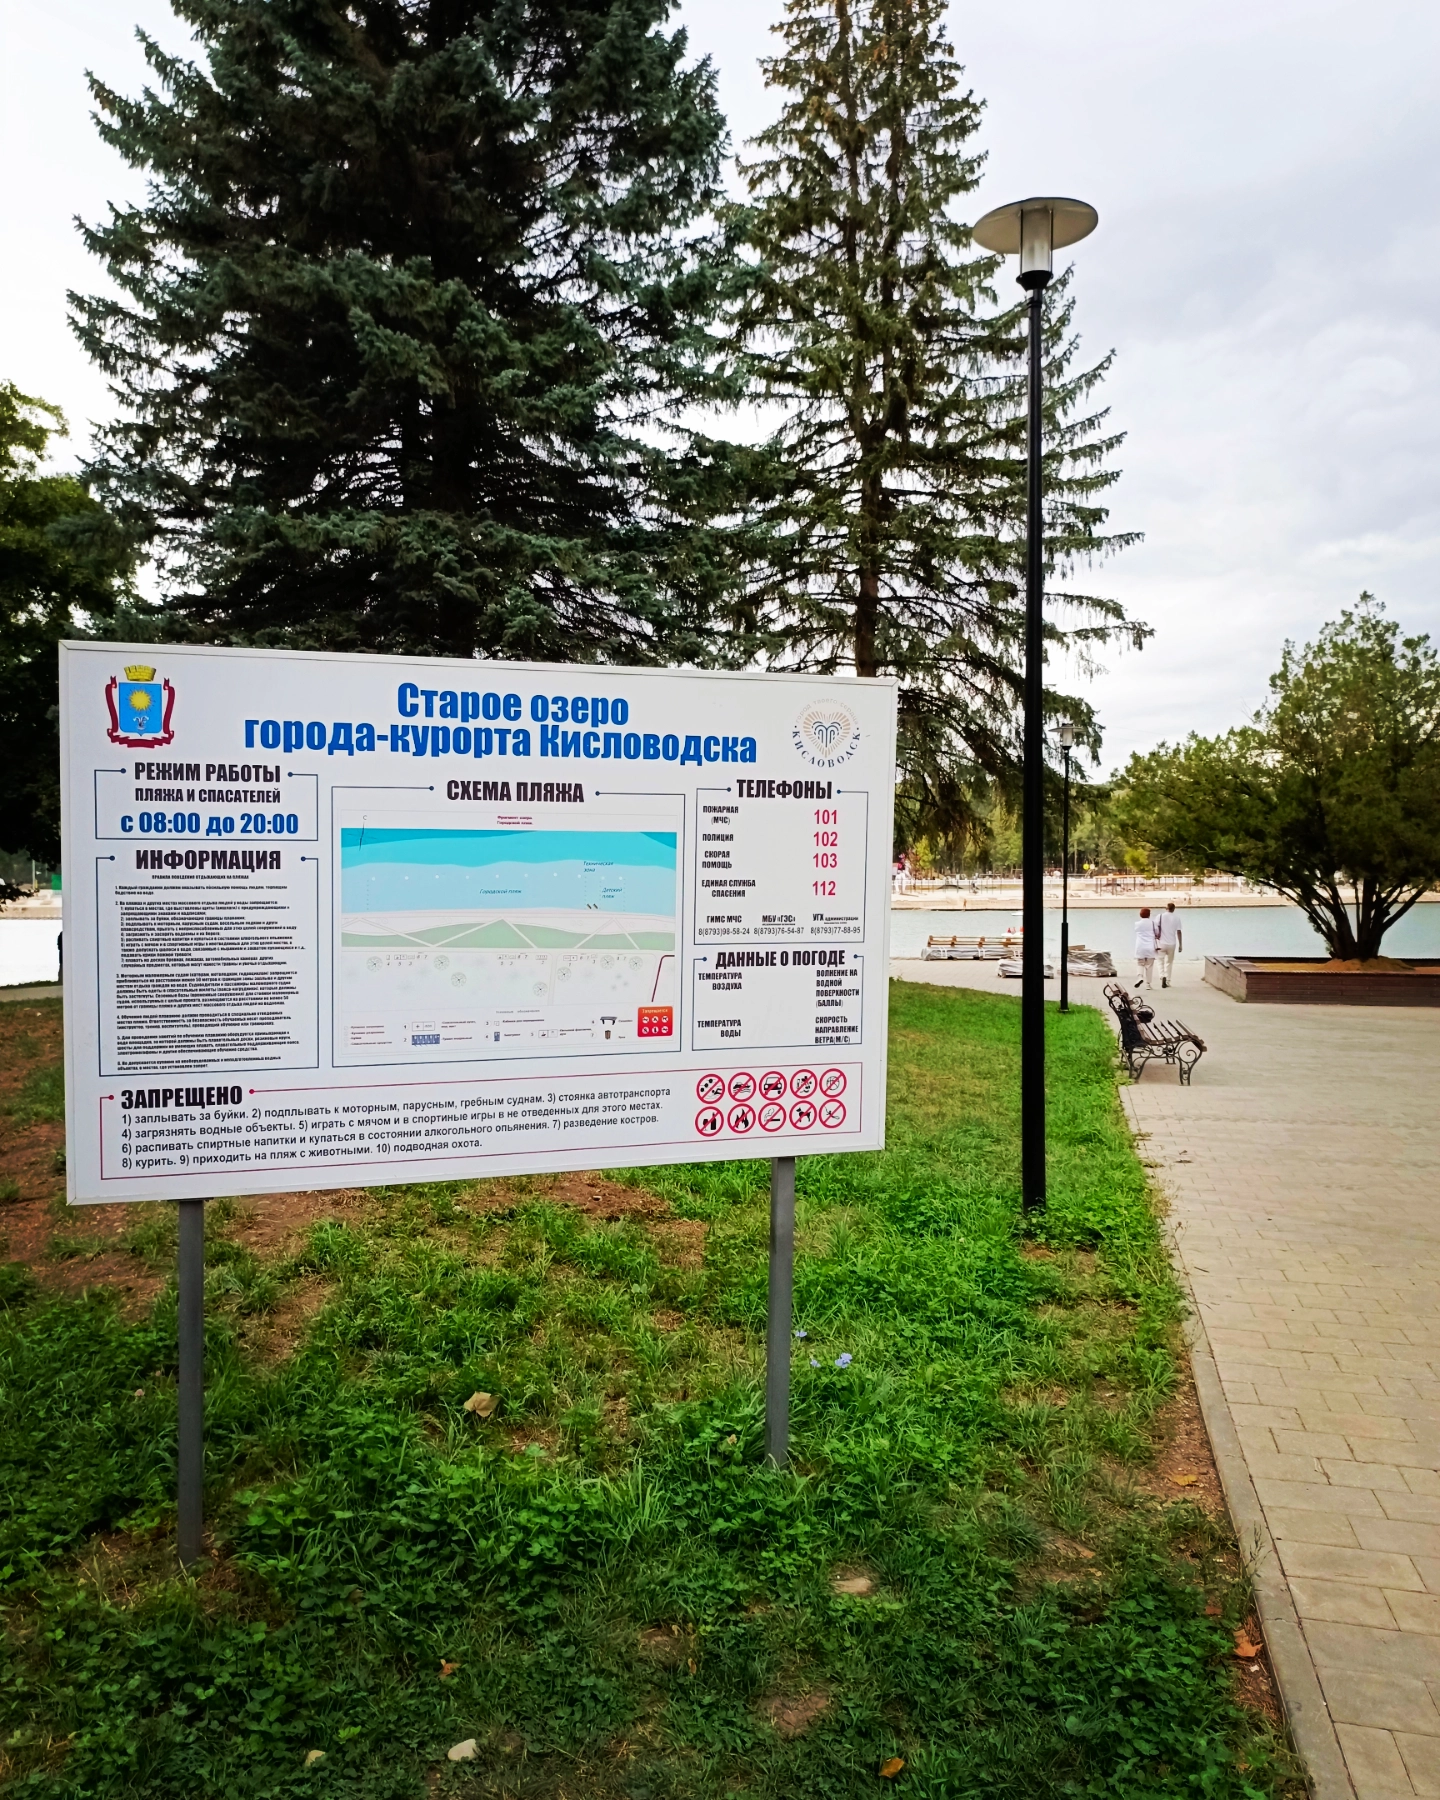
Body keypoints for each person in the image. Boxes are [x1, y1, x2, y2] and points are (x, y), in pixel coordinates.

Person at [1155, 902, 1182, 987]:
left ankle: (1162, 976)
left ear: (1166, 908)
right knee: (1169, 962)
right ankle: (1168, 980)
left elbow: (1155, 928)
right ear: (1174, 909)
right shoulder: (1177, 918)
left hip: (1161, 943)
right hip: (1172, 943)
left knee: (1160, 961)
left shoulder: (1160, 916)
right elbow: (1179, 932)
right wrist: (1180, 945)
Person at [1133, 907, 1158, 988]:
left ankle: (1140, 977)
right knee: (1149, 966)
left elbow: (1136, 931)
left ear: (1140, 915)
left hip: (1140, 946)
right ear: (1149, 915)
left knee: (1140, 963)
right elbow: (1157, 933)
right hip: (1150, 946)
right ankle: (1148, 984)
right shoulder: (1153, 923)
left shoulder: (1137, 924)